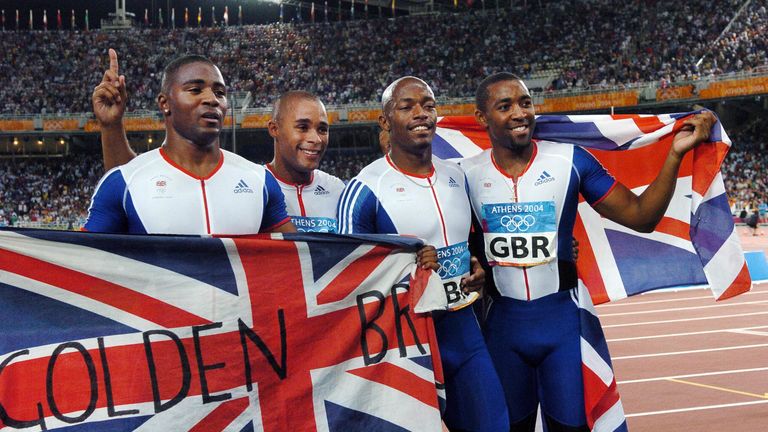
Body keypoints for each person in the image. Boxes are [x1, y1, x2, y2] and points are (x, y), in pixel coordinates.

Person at [463, 72, 716, 431]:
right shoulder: (465, 174)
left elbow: (641, 216)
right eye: (505, 106)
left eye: (525, 103)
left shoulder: (571, 160)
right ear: (482, 118)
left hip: (563, 328)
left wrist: (675, 154)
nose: (520, 113)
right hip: (502, 329)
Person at [337, 76, 509, 431]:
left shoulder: (457, 176)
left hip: (463, 330)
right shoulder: (365, 188)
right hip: (404, 344)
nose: (421, 114)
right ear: (385, 121)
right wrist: (406, 269)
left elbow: (472, 244)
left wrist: (478, 269)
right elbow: (342, 277)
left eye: (428, 106)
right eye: (407, 107)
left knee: (493, 424)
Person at [86, 50, 294, 235]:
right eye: (195, 90)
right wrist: (111, 126)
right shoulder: (122, 182)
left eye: (220, 93)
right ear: (165, 103)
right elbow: (86, 259)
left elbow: (296, 257)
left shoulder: (260, 181)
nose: (212, 99)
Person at [265, 91, 345, 233]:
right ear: (274, 129)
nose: (316, 139)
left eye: (322, 129)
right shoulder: (255, 189)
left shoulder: (337, 190)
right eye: (303, 127)